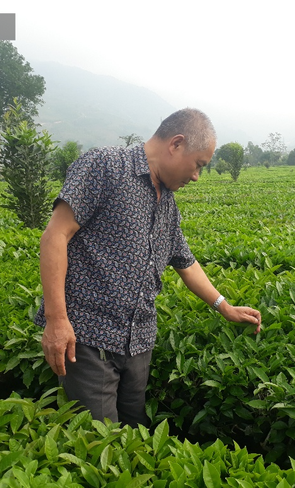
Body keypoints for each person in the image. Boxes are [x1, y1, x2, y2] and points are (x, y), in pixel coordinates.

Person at [35, 108, 261, 428]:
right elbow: (55, 236)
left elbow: (186, 262)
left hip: (138, 342)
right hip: (88, 338)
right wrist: (56, 321)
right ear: (176, 144)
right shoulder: (105, 167)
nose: (196, 176)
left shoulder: (167, 202)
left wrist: (225, 307)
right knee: (99, 442)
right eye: (198, 165)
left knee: (134, 435)